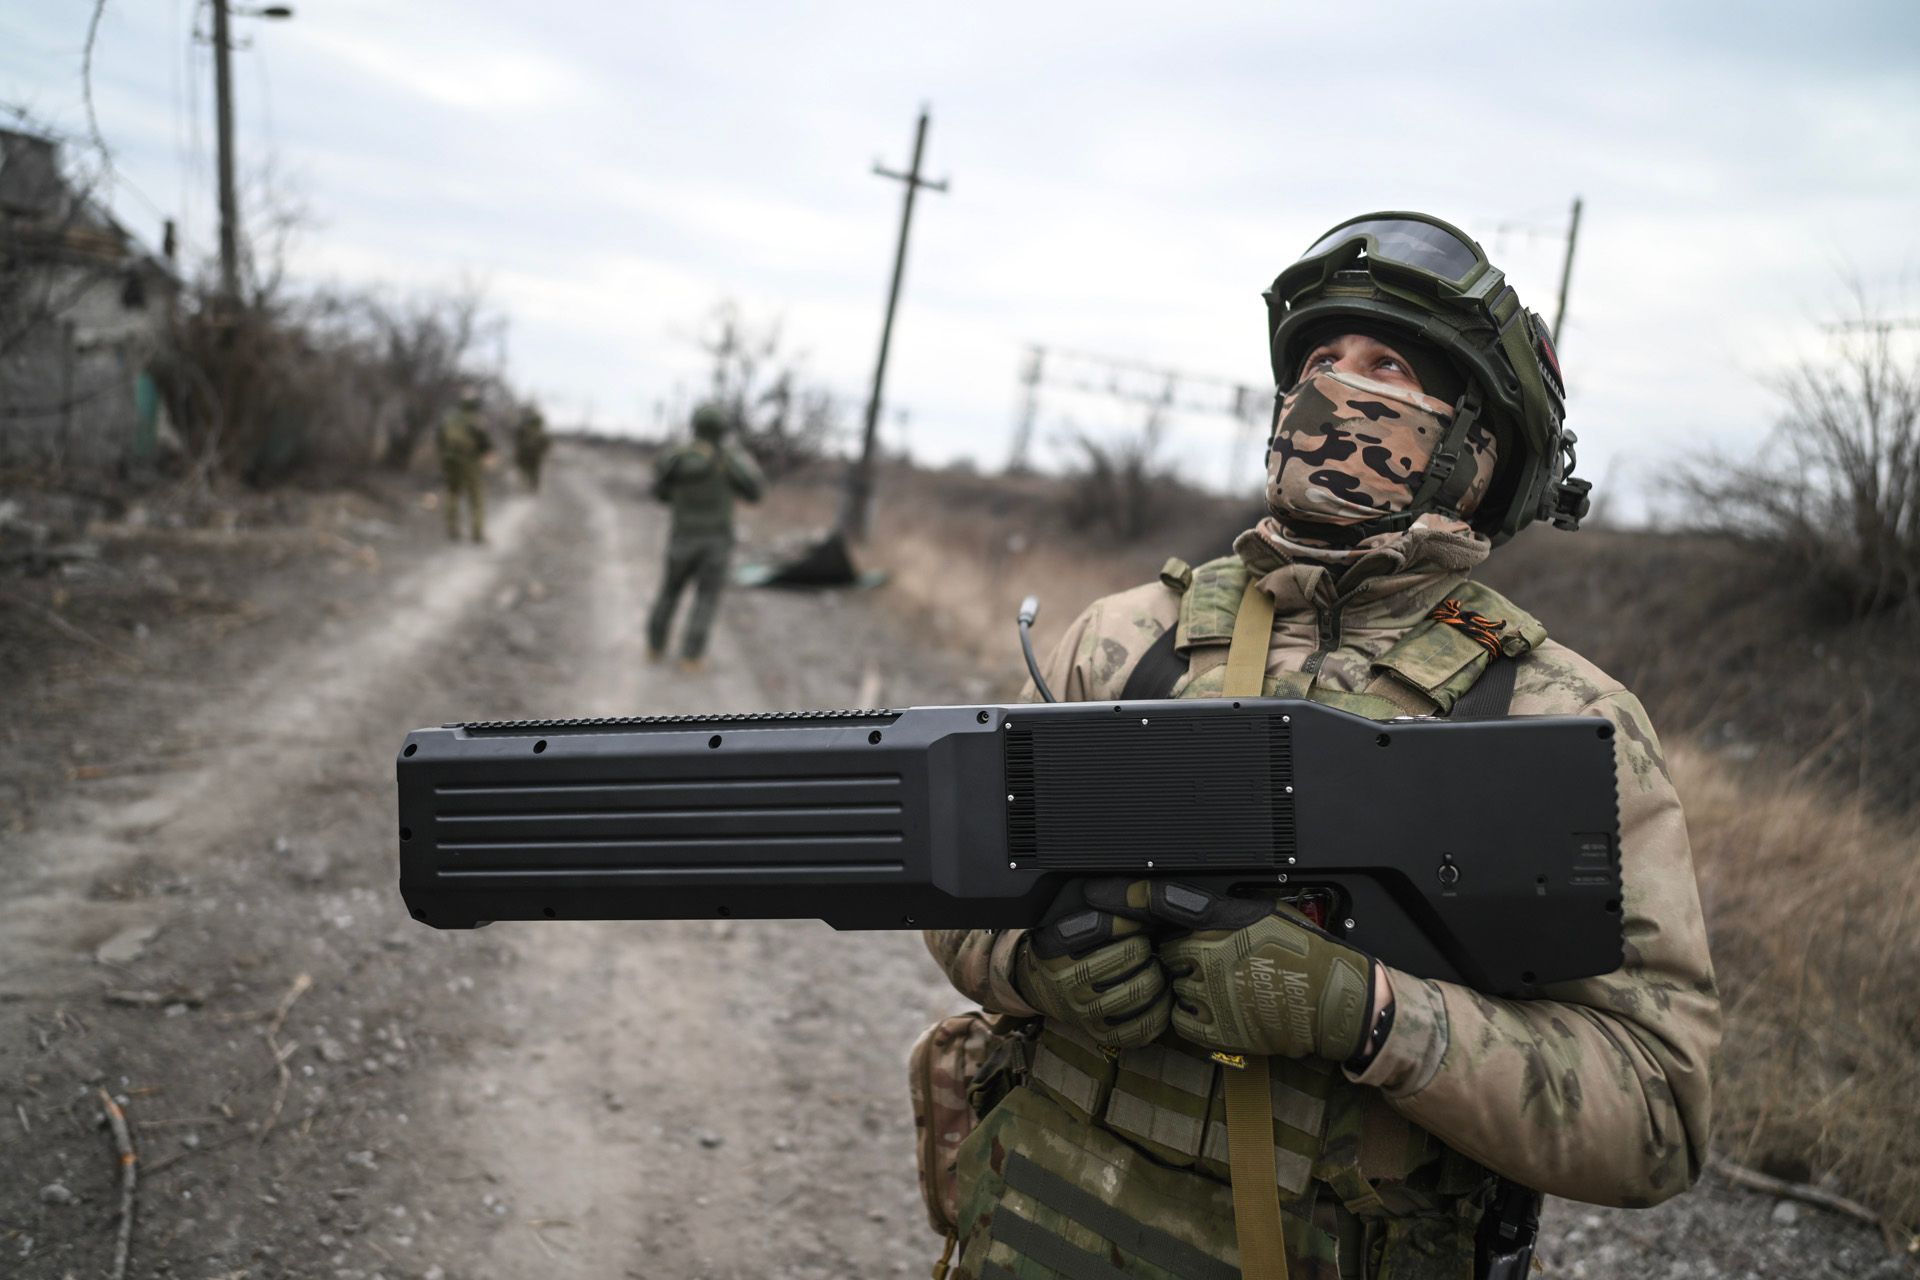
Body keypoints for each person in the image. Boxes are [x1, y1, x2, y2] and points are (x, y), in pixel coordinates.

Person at [924, 213, 1720, 1279]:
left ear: (1477, 448)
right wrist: (1035, 964)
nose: (1333, 388)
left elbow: (1657, 1113)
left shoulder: (1557, 718)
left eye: (1386, 366)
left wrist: (1372, 1015)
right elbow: (953, 891)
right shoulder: (1128, 638)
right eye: (1317, 362)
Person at [645, 403, 765, 671]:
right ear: (722, 429)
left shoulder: (677, 457)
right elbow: (755, 493)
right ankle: (691, 657)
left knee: (668, 592)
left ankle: (654, 646)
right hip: (716, 542)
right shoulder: (729, 459)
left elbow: (659, 492)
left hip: (682, 537)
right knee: (706, 599)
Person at [435, 392, 492, 543]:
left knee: (453, 493)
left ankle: (452, 529)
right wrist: (485, 454)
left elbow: (440, 438)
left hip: (450, 460)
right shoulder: (476, 419)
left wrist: (444, 456)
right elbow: (485, 442)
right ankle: (477, 533)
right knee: (476, 496)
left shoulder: (449, 417)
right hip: (469, 461)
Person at [513, 405, 551, 491]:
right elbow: (518, 440)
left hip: (533, 454)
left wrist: (543, 451)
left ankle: (532, 485)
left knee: (532, 471)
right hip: (527, 454)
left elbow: (545, 443)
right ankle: (530, 485)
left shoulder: (537, 431)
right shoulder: (524, 429)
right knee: (528, 470)